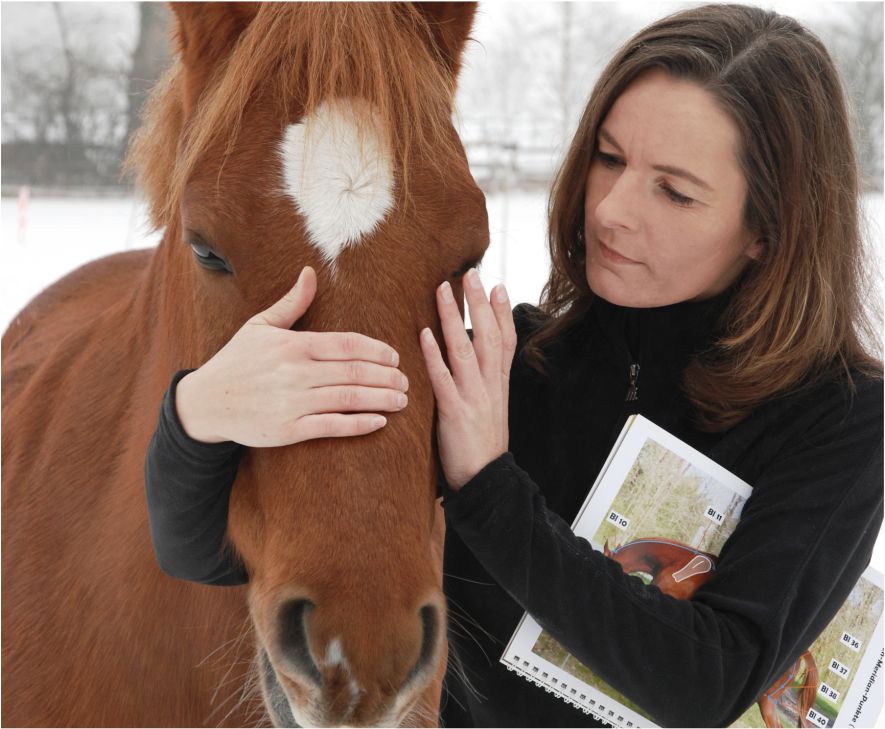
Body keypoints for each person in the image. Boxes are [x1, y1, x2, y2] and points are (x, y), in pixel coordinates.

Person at [145, 4, 883, 726]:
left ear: (767, 229)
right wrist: (197, 417)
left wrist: (487, 485)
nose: (611, 211)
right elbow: (207, 555)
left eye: (674, 191)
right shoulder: (502, 364)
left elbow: (709, 683)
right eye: (609, 158)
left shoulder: (842, 421)